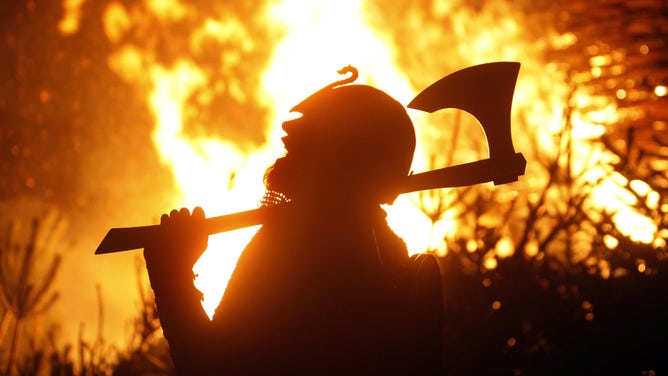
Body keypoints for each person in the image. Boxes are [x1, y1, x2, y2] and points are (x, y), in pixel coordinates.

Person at [144, 68, 442, 375]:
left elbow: (212, 367)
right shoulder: (388, 251)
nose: (285, 153)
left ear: (339, 159)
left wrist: (172, 274)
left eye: (301, 147)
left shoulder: (295, 247)